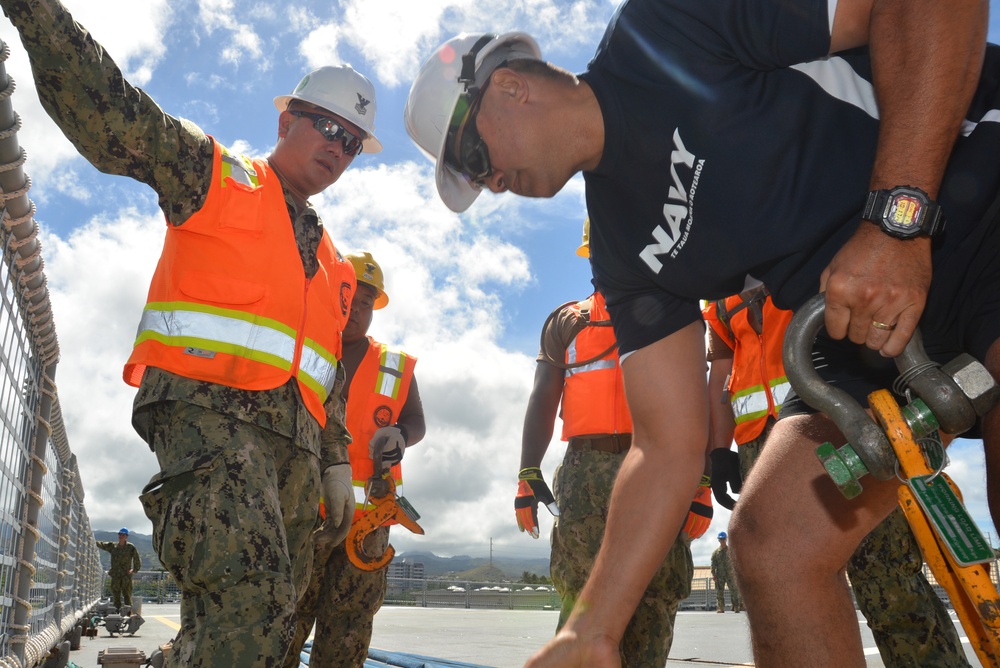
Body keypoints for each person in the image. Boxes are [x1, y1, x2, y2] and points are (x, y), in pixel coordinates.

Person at [403, 2, 1000, 664]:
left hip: (976, 190)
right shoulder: (624, 253)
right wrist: (591, 629)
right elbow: (663, 446)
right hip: (861, 324)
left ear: (509, 87)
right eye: (471, 178)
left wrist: (896, 222)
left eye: (473, 156)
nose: (488, 184)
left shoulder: (664, 27)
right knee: (773, 545)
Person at [0, 1, 382, 665]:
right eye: (325, 125)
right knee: (251, 619)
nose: (336, 147)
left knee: (271, 639)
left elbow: (326, 378)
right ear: (287, 119)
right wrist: (37, 12)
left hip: (292, 462)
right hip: (209, 425)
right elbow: (115, 115)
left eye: (351, 140)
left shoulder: (333, 266)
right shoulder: (218, 179)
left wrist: (336, 460)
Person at [704, 287, 970, 665]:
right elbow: (722, 372)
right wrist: (720, 449)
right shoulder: (718, 299)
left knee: (886, 577)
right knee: (781, 578)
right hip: (759, 443)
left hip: (836, 419)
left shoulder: (799, 251)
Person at [515, 218, 698, 667]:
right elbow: (543, 397)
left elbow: (697, 397)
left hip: (657, 465)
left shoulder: (671, 313)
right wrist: (526, 474)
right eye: (597, 250)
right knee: (581, 595)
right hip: (584, 472)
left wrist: (704, 480)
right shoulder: (567, 321)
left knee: (655, 594)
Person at [284, 252, 425, 668]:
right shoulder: (301, 347)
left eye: (368, 303)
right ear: (336, 296)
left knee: (348, 629)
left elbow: (416, 420)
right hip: (305, 516)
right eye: (353, 299)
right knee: (286, 620)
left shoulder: (395, 366)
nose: (358, 310)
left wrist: (402, 435)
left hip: (367, 524)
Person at [96, 527, 142, 613]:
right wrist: (92, 541)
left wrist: (135, 569)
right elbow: (102, 544)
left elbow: (137, 558)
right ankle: (117, 611)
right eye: (120, 534)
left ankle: (128, 612)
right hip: (116, 575)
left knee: (127, 594)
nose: (121, 536)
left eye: (123, 535)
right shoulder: (113, 546)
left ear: (126, 536)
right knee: (116, 593)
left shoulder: (130, 547)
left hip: (126, 575)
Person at [709, 532, 740, 614]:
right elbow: (713, 565)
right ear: (718, 540)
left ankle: (736, 607)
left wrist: (736, 574)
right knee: (719, 592)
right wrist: (714, 575)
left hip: (730, 575)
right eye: (720, 539)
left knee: (734, 591)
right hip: (720, 576)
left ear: (726, 539)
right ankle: (721, 608)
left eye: (723, 539)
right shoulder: (716, 553)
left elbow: (736, 563)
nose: (722, 540)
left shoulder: (731, 551)